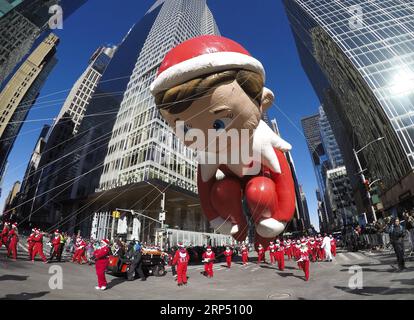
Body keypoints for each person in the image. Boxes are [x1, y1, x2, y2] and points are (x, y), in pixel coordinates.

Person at [150, 35, 295, 246]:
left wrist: (280, 217)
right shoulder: (208, 155)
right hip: (229, 187)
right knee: (222, 191)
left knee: (259, 190)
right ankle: (238, 223)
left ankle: (264, 227)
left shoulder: (262, 139)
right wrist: (217, 219)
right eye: (186, 128)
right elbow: (205, 190)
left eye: (218, 123)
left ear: (262, 102)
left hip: (262, 185)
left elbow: (283, 179)